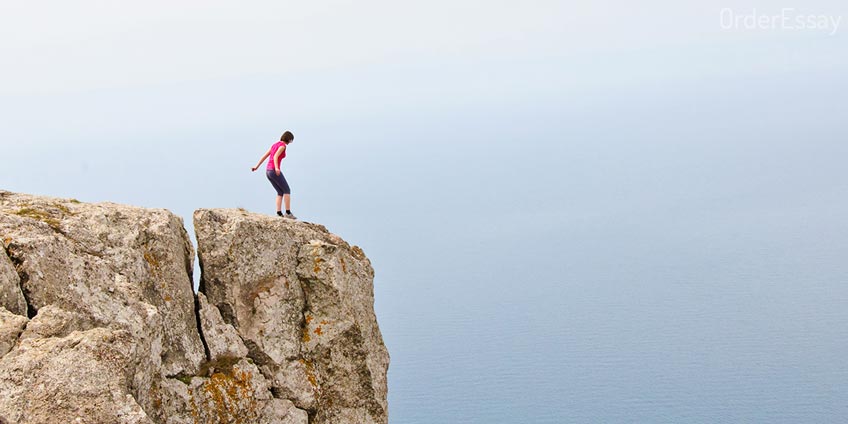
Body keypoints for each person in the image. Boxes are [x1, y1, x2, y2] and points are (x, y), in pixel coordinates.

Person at [251, 131, 296, 219]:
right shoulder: (283, 146)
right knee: (287, 190)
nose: (291, 142)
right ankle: (288, 213)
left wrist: (256, 166)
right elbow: (275, 156)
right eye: (291, 140)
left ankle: (279, 213)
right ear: (289, 139)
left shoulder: (274, 145)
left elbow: (265, 156)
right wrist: (276, 168)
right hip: (274, 170)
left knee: (280, 192)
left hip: (268, 171)